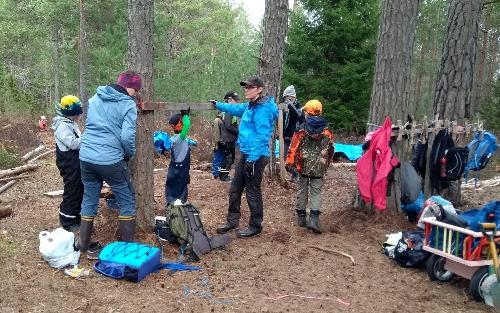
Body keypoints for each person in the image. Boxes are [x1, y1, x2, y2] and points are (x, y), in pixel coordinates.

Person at [78, 70, 141, 259]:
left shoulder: (95, 98)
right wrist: (129, 154)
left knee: (89, 198)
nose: (137, 94)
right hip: (110, 159)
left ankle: (83, 245)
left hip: (86, 156)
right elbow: (127, 136)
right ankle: (128, 249)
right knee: (126, 199)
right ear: (131, 88)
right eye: (137, 91)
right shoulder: (128, 104)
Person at [211, 76, 278, 238]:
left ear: (259, 89)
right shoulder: (250, 106)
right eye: (245, 87)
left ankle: (255, 226)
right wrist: (217, 105)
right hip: (247, 154)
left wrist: (252, 159)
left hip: (257, 155)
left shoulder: (262, 109)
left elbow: (262, 137)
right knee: (235, 189)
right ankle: (232, 221)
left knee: (252, 190)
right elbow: (236, 109)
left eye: (250, 87)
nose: (246, 90)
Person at [285, 100, 334, 234]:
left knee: (302, 190)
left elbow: (293, 148)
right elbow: (330, 150)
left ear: (307, 113)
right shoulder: (327, 131)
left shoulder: (301, 129)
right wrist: (326, 164)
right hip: (319, 166)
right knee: (316, 192)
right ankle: (314, 220)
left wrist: (289, 163)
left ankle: (301, 218)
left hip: (303, 165)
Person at [52, 95, 84, 232]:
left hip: (75, 162)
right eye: (77, 113)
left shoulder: (71, 123)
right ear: (70, 113)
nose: (78, 116)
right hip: (68, 162)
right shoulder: (62, 126)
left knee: (79, 189)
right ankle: (67, 221)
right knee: (72, 190)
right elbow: (73, 144)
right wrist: (89, 138)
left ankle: (76, 217)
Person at [165, 110, 192, 204]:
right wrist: (186, 115)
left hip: (174, 166)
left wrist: (191, 142)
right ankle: (179, 203)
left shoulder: (174, 138)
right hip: (181, 167)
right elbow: (187, 125)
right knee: (181, 185)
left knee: (173, 184)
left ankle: (171, 201)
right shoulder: (181, 137)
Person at [281, 85, 303, 182]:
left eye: (289, 98)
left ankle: (296, 175)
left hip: (295, 137)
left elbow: (298, 117)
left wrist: (290, 105)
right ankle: (294, 174)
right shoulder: (285, 108)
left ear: (293, 97)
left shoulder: (299, 107)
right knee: (285, 158)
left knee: (294, 158)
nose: (287, 100)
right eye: (285, 98)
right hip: (286, 137)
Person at [218, 91, 240, 181]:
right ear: (230, 100)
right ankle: (223, 176)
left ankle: (223, 175)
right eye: (235, 100)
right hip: (228, 139)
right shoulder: (228, 111)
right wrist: (238, 132)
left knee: (229, 158)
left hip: (230, 138)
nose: (237, 102)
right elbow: (228, 125)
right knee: (228, 158)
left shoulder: (230, 110)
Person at [211, 111, 225, 180]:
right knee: (217, 158)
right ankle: (216, 174)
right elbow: (216, 133)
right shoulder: (217, 120)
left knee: (220, 158)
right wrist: (219, 142)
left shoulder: (220, 120)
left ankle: (218, 173)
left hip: (220, 143)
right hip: (218, 144)